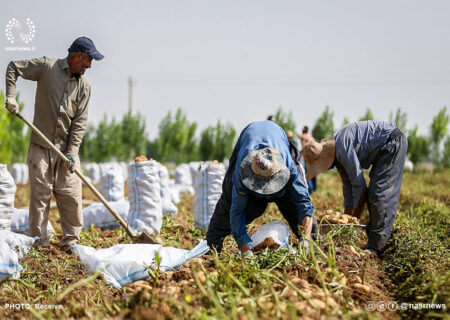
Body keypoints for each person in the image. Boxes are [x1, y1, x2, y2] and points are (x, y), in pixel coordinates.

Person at [5, 36, 104, 254]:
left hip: (67, 151)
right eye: (88, 60)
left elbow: (79, 124)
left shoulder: (84, 87)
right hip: (41, 147)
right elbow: (13, 68)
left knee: (70, 195)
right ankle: (39, 244)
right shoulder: (46, 67)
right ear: (78, 56)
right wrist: (11, 97)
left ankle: (71, 244)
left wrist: (72, 153)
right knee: (40, 196)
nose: (89, 65)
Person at [206, 120, 318, 255]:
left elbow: (304, 204)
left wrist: (306, 238)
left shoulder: (290, 168)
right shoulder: (242, 172)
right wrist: (245, 249)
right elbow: (236, 212)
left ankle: (313, 251)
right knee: (227, 207)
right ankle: (212, 248)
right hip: (248, 138)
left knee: (298, 214)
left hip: (277, 138)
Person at [303, 120, 407, 254]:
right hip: (382, 148)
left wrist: (351, 224)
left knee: (379, 193)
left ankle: (377, 247)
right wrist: (344, 218)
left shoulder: (341, 147)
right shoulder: (337, 157)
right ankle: (373, 240)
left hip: (392, 141)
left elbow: (360, 186)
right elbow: (348, 188)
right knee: (374, 193)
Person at [299, 126, 317, 193]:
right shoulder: (312, 138)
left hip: (307, 157)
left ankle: (310, 190)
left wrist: (299, 152)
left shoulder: (303, 137)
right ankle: (314, 189)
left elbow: (304, 147)